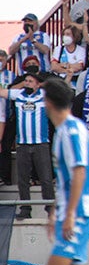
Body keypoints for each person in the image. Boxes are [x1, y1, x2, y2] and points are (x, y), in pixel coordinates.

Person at [43, 77, 89, 265]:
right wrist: (55, 212)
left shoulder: (71, 131)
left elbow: (79, 173)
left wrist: (68, 214)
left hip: (79, 212)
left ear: (48, 102)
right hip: (72, 209)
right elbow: (66, 179)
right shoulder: (66, 130)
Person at [0, 71, 56, 220]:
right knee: (23, 179)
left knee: (45, 178)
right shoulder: (18, 94)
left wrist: (43, 84)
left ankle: (50, 207)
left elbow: (61, 90)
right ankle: (25, 208)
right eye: (26, 81)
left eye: (31, 81)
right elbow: (2, 92)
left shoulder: (44, 95)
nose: (27, 83)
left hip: (41, 143)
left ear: (38, 84)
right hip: (23, 144)